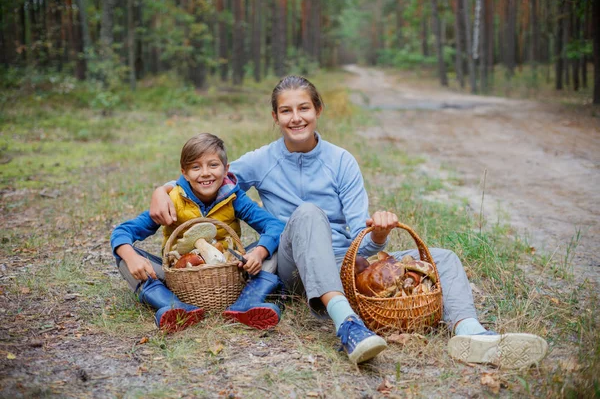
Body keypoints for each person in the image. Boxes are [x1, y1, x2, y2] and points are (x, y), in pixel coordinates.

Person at [149, 75, 548, 368]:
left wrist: (375, 234)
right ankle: (348, 326)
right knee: (307, 213)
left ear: (318, 110)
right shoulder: (259, 161)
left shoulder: (341, 161)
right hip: (294, 268)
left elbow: (362, 237)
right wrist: (161, 189)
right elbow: (208, 176)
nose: (296, 117)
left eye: (304, 108)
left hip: (344, 265)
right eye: (286, 110)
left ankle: (470, 333)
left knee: (442, 257)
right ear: (275, 117)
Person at [110, 133, 285, 333]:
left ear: (226, 169)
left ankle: (247, 302)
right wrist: (132, 256)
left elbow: (274, 226)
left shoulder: (234, 197)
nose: (205, 173)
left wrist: (259, 252)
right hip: (179, 279)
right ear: (184, 173)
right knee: (125, 258)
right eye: (196, 167)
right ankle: (175, 306)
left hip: (231, 274)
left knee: (275, 248)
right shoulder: (172, 200)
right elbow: (122, 231)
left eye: (213, 165)